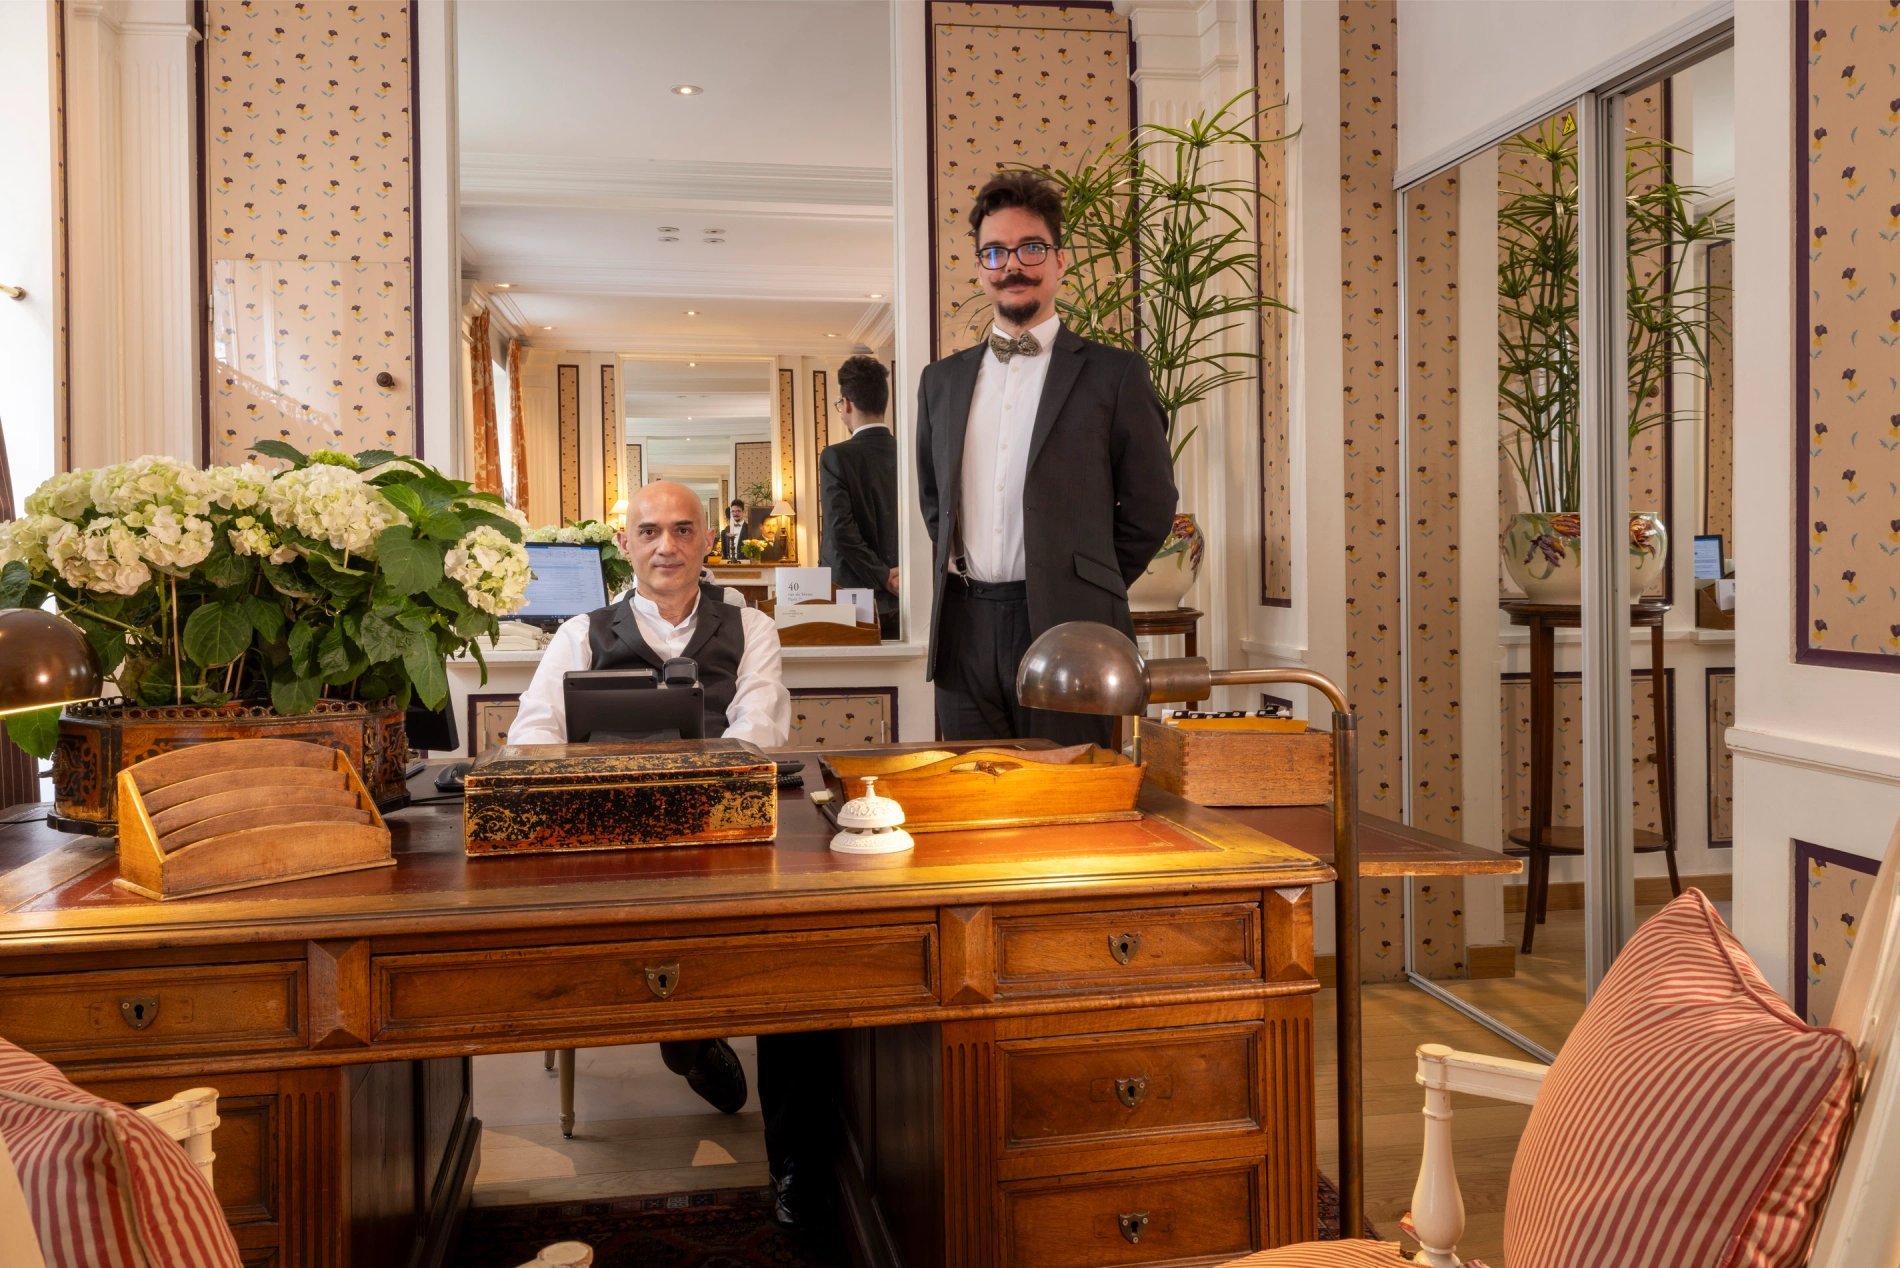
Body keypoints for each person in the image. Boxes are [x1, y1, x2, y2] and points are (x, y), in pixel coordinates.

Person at [507, 481, 789, 1124]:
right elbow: (533, 733)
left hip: (716, 831)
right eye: (650, 531)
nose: (668, 546)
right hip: (605, 838)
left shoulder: (752, 628)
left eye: (683, 530)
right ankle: (686, 1033)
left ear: (707, 540)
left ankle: (689, 1032)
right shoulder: (580, 633)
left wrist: (688, 795)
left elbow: (759, 731)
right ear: (624, 544)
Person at [916, 170, 1176, 747]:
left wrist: (1085, 583)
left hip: (1074, 629)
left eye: (1030, 248)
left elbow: (1151, 505)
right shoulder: (940, 382)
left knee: (1073, 791)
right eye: (995, 251)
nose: (1013, 265)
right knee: (976, 793)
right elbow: (935, 502)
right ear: (980, 268)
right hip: (963, 632)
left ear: (1059, 261)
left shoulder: (1115, 374)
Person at [819, 356, 900, 638]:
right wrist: (896, 577)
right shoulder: (908, 453)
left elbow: (840, 531)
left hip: (851, 599)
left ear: (847, 403)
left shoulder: (836, 456)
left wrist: (882, 575)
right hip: (905, 594)